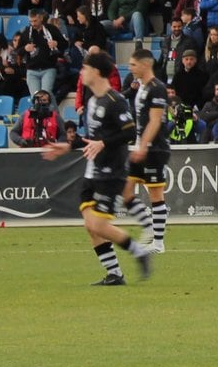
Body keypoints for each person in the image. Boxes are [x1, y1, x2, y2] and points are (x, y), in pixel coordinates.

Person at [40, 50, 154, 285]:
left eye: (84, 68)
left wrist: (104, 143)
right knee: (90, 225)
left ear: (96, 72)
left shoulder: (116, 101)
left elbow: (130, 132)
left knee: (98, 224)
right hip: (92, 170)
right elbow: (92, 138)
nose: (81, 73)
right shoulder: (92, 102)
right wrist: (68, 146)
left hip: (111, 171)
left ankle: (139, 251)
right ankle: (115, 274)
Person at [121, 47, 172, 253]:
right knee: (125, 191)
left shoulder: (157, 88)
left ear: (145, 65)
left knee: (155, 194)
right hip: (143, 146)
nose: (130, 68)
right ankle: (149, 227)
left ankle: (158, 243)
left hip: (154, 148)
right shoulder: (141, 87)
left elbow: (155, 120)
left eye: (133, 64)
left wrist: (143, 145)